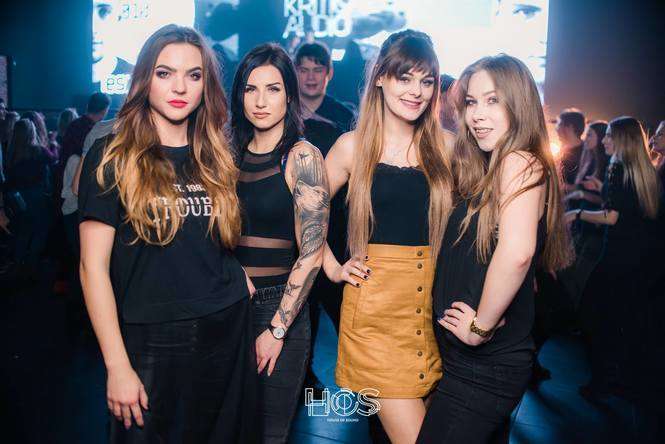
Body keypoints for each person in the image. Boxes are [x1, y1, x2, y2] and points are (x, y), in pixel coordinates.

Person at [78, 25, 257, 442]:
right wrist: (117, 366)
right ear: (145, 79)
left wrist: (235, 275)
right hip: (151, 338)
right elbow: (91, 268)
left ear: (205, 85)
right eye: (165, 73)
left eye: (194, 75)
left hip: (226, 329)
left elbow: (211, 239)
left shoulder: (214, 155)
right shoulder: (113, 156)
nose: (180, 87)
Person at [418, 54, 572, 443]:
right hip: (470, 362)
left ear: (518, 104)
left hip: (483, 366)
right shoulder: (494, 165)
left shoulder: (518, 161)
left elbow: (518, 253)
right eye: (471, 102)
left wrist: (480, 326)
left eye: (493, 101)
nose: (477, 115)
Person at [324, 30, 454, 443]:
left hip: (433, 314)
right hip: (375, 317)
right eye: (405, 77)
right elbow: (304, 212)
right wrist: (332, 267)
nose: (417, 91)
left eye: (426, 81)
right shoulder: (351, 147)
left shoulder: (448, 148)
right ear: (380, 77)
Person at [230, 43, 329, 444]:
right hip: (227, 306)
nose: (260, 101)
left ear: (289, 94)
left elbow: (313, 253)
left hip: (277, 307)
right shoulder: (228, 156)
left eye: (272, 89)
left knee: (268, 435)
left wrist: (277, 329)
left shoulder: (301, 156)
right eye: (251, 89)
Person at [569, 117, 661, 404]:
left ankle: (601, 382)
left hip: (618, 257)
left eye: (609, 135)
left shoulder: (617, 168)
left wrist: (576, 213)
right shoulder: (643, 171)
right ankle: (616, 379)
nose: (605, 140)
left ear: (623, 140)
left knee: (593, 315)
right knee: (621, 319)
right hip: (638, 259)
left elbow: (612, 217)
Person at [1, 119, 54, 275]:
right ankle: (31, 265)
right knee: (40, 231)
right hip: (37, 196)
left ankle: (18, 265)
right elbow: (53, 159)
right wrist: (52, 143)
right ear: (32, 132)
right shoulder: (38, 151)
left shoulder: (11, 153)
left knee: (23, 232)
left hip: (18, 198)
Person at [295, 41, 356, 132]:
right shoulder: (284, 111)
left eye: (318, 70)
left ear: (330, 73)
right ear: (295, 73)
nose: (310, 77)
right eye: (304, 71)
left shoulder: (345, 117)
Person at [556, 108, 586, 195]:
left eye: (559, 124)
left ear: (570, 127)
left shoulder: (588, 153)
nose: (556, 129)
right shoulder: (561, 151)